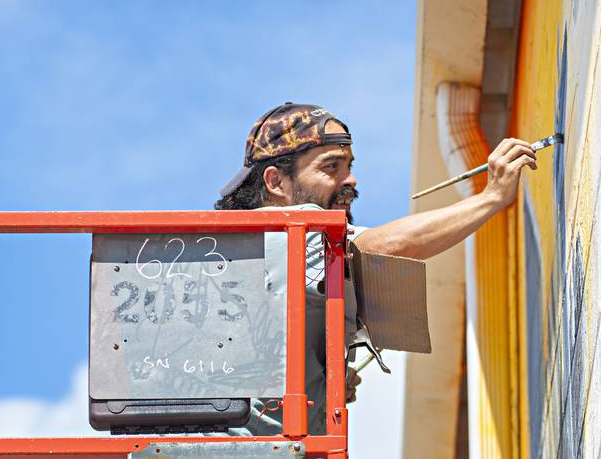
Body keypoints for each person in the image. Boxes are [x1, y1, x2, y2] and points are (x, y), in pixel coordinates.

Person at [215, 102, 537, 436]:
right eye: (331, 167)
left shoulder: (245, 255)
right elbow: (381, 247)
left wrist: (324, 387)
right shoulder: (285, 231)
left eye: (349, 166)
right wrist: (491, 198)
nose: (350, 180)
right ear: (276, 182)